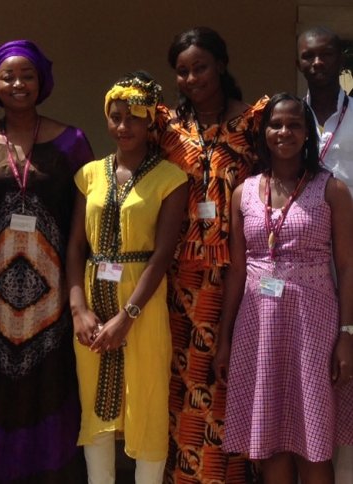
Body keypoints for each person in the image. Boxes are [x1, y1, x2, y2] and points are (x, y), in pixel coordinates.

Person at [0, 39, 94, 483]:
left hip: (52, 301)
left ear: (42, 81)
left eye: (27, 75)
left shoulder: (72, 141)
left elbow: (83, 218)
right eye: (7, 76)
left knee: (50, 387)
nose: (18, 84)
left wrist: (75, 298)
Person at [215, 93, 353, 484]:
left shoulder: (332, 190)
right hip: (257, 329)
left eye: (294, 124)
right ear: (264, 133)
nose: (284, 132)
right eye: (276, 124)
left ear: (307, 133)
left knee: (313, 445)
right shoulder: (245, 192)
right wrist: (224, 338)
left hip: (314, 328)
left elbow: (347, 266)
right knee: (271, 444)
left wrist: (347, 335)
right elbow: (238, 269)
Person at [67, 72, 187, 484]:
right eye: (116, 117)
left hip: (144, 306)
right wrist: (78, 308)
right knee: (94, 409)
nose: (123, 126)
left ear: (150, 121)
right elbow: (74, 249)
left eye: (134, 118)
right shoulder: (89, 175)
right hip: (90, 306)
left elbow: (162, 255)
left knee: (147, 402)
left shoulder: (170, 178)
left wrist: (128, 315)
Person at [158, 26, 266, 483]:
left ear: (221, 65)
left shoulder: (254, 125)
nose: (191, 78)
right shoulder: (167, 129)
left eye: (200, 67)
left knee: (228, 379)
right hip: (180, 276)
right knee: (182, 384)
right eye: (182, 72)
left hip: (237, 276)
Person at [297, 26, 353, 482]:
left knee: (347, 369)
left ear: (341, 58)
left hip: (349, 256)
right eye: (308, 56)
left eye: (325, 55)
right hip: (307, 259)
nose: (317, 63)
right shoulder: (287, 119)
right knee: (313, 372)